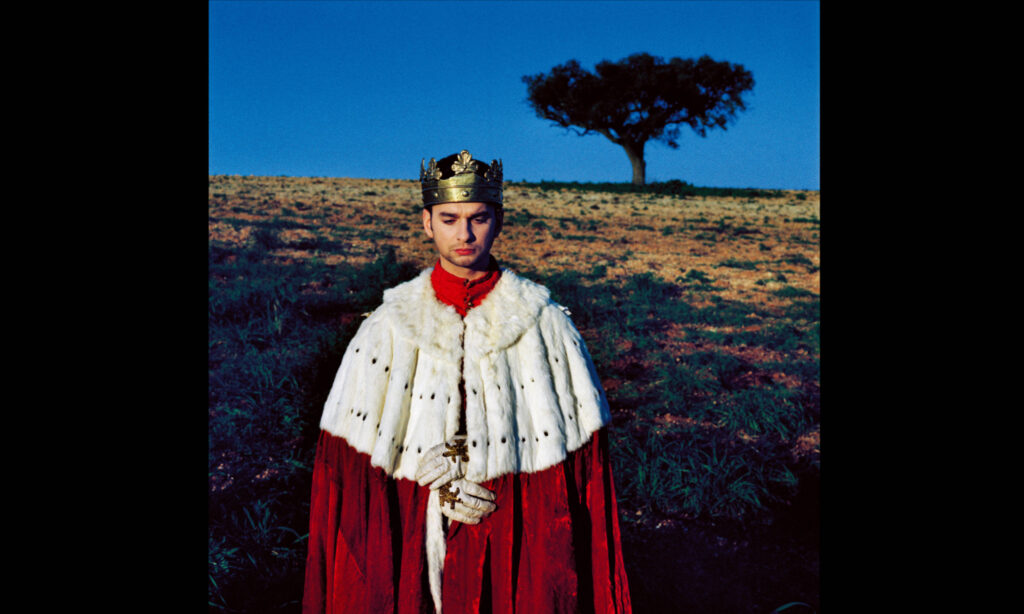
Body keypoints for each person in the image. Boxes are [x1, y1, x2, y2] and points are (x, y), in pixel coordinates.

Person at [303, 150, 632, 613]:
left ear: (497, 221)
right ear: (427, 222)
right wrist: (421, 476)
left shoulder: (545, 323)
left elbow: (582, 472)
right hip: (416, 527)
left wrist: (493, 470)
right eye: (449, 218)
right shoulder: (387, 325)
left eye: (478, 218)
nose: (464, 233)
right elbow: (348, 473)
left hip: (514, 524)